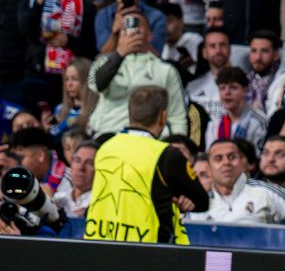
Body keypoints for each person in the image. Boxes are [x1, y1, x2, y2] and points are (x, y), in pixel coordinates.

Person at [85, 85, 208, 244]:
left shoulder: (104, 147)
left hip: (100, 244)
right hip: (147, 252)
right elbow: (202, 201)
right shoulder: (167, 155)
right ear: (163, 117)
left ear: (130, 114)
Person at [89, 12, 188, 136]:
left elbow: (177, 117)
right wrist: (120, 54)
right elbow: (95, 85)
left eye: (137, 26)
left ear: (150, 35)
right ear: (118, 35)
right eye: (126, 28)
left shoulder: (165, 69)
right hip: (108, 133)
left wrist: (178, 144)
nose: (132, 31)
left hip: (150, 139)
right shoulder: (103, 61)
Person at [189, 137, 285, 225]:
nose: (226, 162)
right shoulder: (200, 202)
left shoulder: (268, 192)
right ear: (210, 166)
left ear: (242, 162)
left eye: (232, 157)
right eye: (218, 158)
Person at [203, 67, 268, 150]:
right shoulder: (213, 126)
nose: (227, 92)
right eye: (222, 88)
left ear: (245, 91)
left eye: (233, 87)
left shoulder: (258, 122)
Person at [53, 139, 96, 218]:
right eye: (77, 160)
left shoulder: (98, 204)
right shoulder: (59, 198)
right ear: (71, 164)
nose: (81, 167)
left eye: (89, 163)